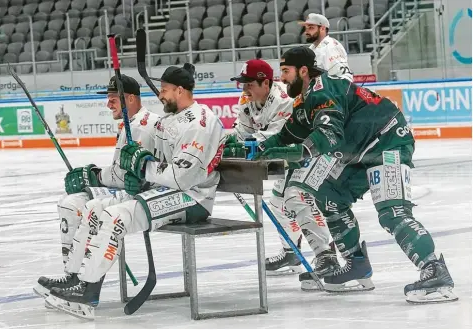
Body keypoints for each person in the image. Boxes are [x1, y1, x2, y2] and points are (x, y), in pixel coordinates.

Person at [256, 46, 457, 303]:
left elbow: (328, 135)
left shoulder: (323, 90)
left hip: (387, 141)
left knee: (392, 212)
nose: (281, 79)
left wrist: (297, 151)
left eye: (285, 71)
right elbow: (287, 135)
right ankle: (356, 265)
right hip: (359, 151)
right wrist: (255, 148)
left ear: (303, 71)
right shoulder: (305, 100)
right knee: (329, 196)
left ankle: (434, 270)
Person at [44, 63, 226, 319]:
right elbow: (157, 167)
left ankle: (88, 292)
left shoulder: (200, 123)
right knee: (95, 208)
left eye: (164, 90)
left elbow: (181, 177)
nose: (160, 95)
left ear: (181, 90)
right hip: (169, 191)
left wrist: (143, 166)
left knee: (114, 217)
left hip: (193, 198)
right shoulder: (169, 119)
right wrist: (138, 177)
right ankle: (77, 279)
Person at [33, 75, 159, 299]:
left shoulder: (143, 127)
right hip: (123, 190)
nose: (108, 104)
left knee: (92, 209)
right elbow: (119, 172)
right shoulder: (129, 124)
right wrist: (92, 176)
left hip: (139, 194)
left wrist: (93, 176)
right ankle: (73, 275)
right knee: (70, 205)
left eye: (112, 98)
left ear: (129, 98)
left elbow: (128, 177)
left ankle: (87, 284)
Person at [227, 59, 337, 280]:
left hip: (313, 151)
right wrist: (226, 142)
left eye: (249, 83)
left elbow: (279, 138)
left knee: (297, 196)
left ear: (265, 83)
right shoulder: (246, 100)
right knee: (278, 201)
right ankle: (291, 252)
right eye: (243, 83)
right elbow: (242, 132)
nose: (244, 88)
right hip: (290, 156)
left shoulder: (284, 99)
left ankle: (327, 254)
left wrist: (245, 143)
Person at [300, 13, 353, 81]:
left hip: (334, 90)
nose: (306, 32)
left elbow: (343, 78)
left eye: (311, 28)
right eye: (306, 28)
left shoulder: (331, 47)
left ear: (322, 28)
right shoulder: (312, 48)